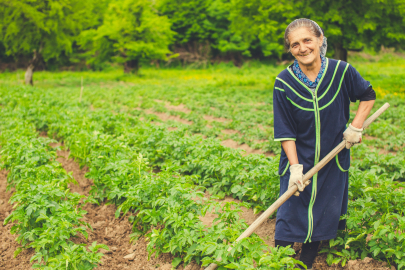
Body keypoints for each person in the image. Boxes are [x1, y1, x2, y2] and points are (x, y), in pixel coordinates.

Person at [272, 18, 376, 269]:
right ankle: (278, 261)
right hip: (298, 158)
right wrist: (295, 168)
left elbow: (367, 95)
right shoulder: (284, 82)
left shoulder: (342, 71)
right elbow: (285, 131)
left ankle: (306, 262)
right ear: (290, 49)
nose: (302, 48)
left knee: (322, 212)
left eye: (307, 40)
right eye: (294, 44)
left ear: (320, 40)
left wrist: (356, 126)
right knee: (289, 213)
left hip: (333, 159)